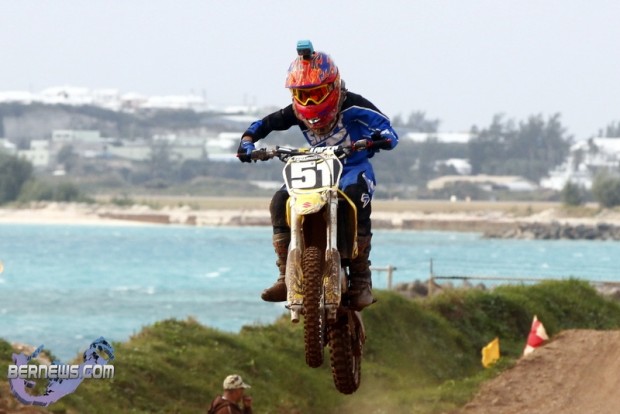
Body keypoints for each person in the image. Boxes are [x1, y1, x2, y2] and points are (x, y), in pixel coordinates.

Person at [237, 40, 399, 311]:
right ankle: (284, 275)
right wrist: (247, 142)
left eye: (317, 93)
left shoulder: (353, 105)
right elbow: (262, 125)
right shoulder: (294, 113)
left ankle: (361, 278)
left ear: (333, 87)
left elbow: (385, 126)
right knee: (279, 201)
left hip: (352, 166)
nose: (310, 101)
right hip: (314, 166)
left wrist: (382, 137)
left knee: (355, 196)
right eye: (303, 95)